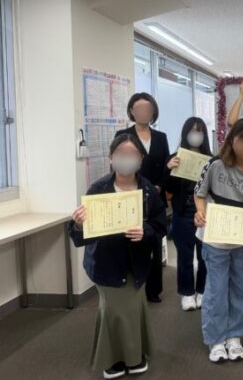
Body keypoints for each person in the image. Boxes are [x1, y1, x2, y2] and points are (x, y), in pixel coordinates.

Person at [69, 133, 167, 379]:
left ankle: (132, 356)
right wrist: (79, 224)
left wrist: (146, 231)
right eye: (121, 153)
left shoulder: (148, 190)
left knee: (133, 307)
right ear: (110, 158)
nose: (126, 158)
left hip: (138, 262)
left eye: (132, 154)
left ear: (141, 159)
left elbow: (161, 226)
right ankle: (115, 359)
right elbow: (83, 237)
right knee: (115, 309)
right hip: (106, 262)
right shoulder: (98, 189)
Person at [194, 118, 243, 363]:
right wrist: (200, 212)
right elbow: (200, 193)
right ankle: (216, 339)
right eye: (242, 140)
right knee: (215, 290)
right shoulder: (215, 165)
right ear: (232, 140)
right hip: (215, 239)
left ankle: (235, 336)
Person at [116, 92, 169, 303]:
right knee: (131, 239)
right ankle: (130, 285)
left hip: (154, 195)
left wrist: (159, 186)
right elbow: (119, 163)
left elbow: (166, 166)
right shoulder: (123, 135)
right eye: (138, 109)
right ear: (131, 111)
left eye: (147, 109)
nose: (143, 112)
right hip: (130, 194)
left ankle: (153, 290)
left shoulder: (161, 137)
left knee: (153, 240)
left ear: (153, 111)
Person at [163, 117, 212, 311]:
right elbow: (167, 189)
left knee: (204, 255)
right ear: (185, 133)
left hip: (204, 211)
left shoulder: (212, 159)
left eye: (199, 131)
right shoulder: (175, 157)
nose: (195, 135)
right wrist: (169, 169)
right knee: (184, 255)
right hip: (183, 211)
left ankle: (202, 290)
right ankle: (187, 293)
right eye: (192, 130)